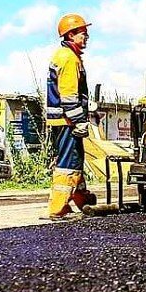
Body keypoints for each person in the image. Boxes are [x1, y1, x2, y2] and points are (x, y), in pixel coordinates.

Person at [46, 13, 96, 219]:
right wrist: (79, 121)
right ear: (71, 34)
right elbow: (68, 96)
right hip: (67, 120)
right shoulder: (68, 59)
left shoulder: (64, 55)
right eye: (83, 33)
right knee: (68, 162)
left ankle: (81, 198)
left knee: (76, 158)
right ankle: (58, 208)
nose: (87, 37)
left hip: (63, 119)